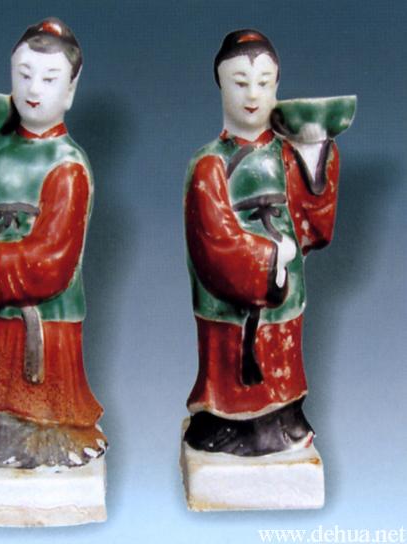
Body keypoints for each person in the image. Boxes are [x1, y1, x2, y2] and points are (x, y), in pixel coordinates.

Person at [0, 18, 106, 468]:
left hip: (49, 315)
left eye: (50, 79)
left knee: (48, 414)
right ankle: (4, 436)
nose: (34, 88)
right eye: (24, 75)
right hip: (4, 309)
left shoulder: (68, 164)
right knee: (4, 404)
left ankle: (50, 443)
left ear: (71, 91)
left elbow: (56, 257)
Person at [183, 30, 340, 456]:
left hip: (286, 292)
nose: (252, 94)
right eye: (240, 82)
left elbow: (313, 225)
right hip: (229, 299)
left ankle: (282, 418)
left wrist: (315, 154)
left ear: (277, 86)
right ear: (220, 84)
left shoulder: (287, 155)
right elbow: (212, 238)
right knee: (230, 369)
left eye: (263, 82)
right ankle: (227, 422)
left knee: (281, 363)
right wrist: (268, 256)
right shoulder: (209, 163)